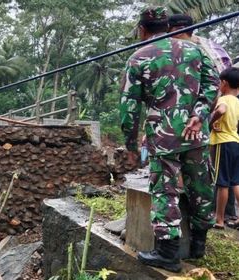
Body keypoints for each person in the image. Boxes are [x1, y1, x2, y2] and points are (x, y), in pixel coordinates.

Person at [120, 7, 219, 272]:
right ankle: (198, 244)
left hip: (163, 136)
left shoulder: (138, 58)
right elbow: (213, 83)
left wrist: (130, 145)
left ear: (142, 30)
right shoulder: (196, 50)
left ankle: (168, 253)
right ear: (167, 26)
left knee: (165, 189)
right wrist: (200, 113)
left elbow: (129, 108)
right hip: (195, 133)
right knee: (200, 184)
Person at [168, 14, 238, 223]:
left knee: (217, 180)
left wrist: (207, 118)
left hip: (209, 135)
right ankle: (225, 216)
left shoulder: (184, 53)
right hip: (230, 138)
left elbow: (218, 104)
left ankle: (217, 218)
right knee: (225, 179)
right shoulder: (208, 51)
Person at [209, 67, 239, 229]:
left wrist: (212, 122)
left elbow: (220, 110)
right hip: (235, 142)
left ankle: (219, 220)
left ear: (224, 83)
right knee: (236, 182)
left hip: (223, 143)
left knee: (222, 183)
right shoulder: (238, 102)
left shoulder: (224, 99)